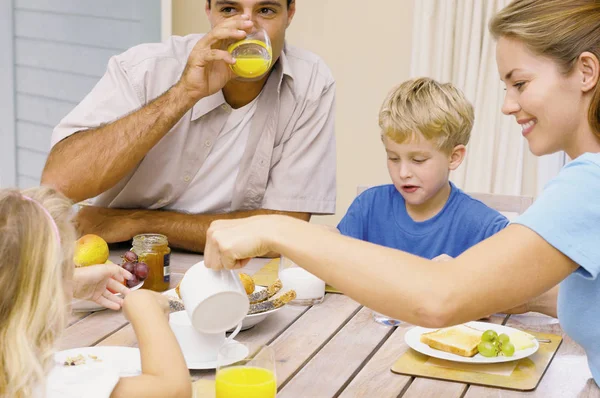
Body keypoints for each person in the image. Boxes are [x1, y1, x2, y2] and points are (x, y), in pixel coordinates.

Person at [202, 0, 600, 385]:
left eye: (521, 83)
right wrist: (515, 293)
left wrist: (275, 227)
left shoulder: (588, 182)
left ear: (585, 72)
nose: (508, 105)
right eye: (506, 87)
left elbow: (439, 298)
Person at [41, 0, 336, 253]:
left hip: (230, 267)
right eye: (230, 9)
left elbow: (285, 231)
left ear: (290, 13)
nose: (247, 28)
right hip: (115, 262)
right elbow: (59, 184)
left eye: (267, 10)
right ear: (208, 10)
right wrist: (183, 93)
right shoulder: (145, 68)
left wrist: (140, 224)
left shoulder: (310, 83)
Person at [0, 187, 191, 397]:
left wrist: (66, 283)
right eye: (68, 267)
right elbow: (174, 389)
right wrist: (146, 311)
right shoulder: (47, 384)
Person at [337, 78, 508, 258]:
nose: (403, 173)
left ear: (454, 157)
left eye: (418, 160)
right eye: (393, 158)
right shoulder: (368, 207)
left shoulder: (486, 227)